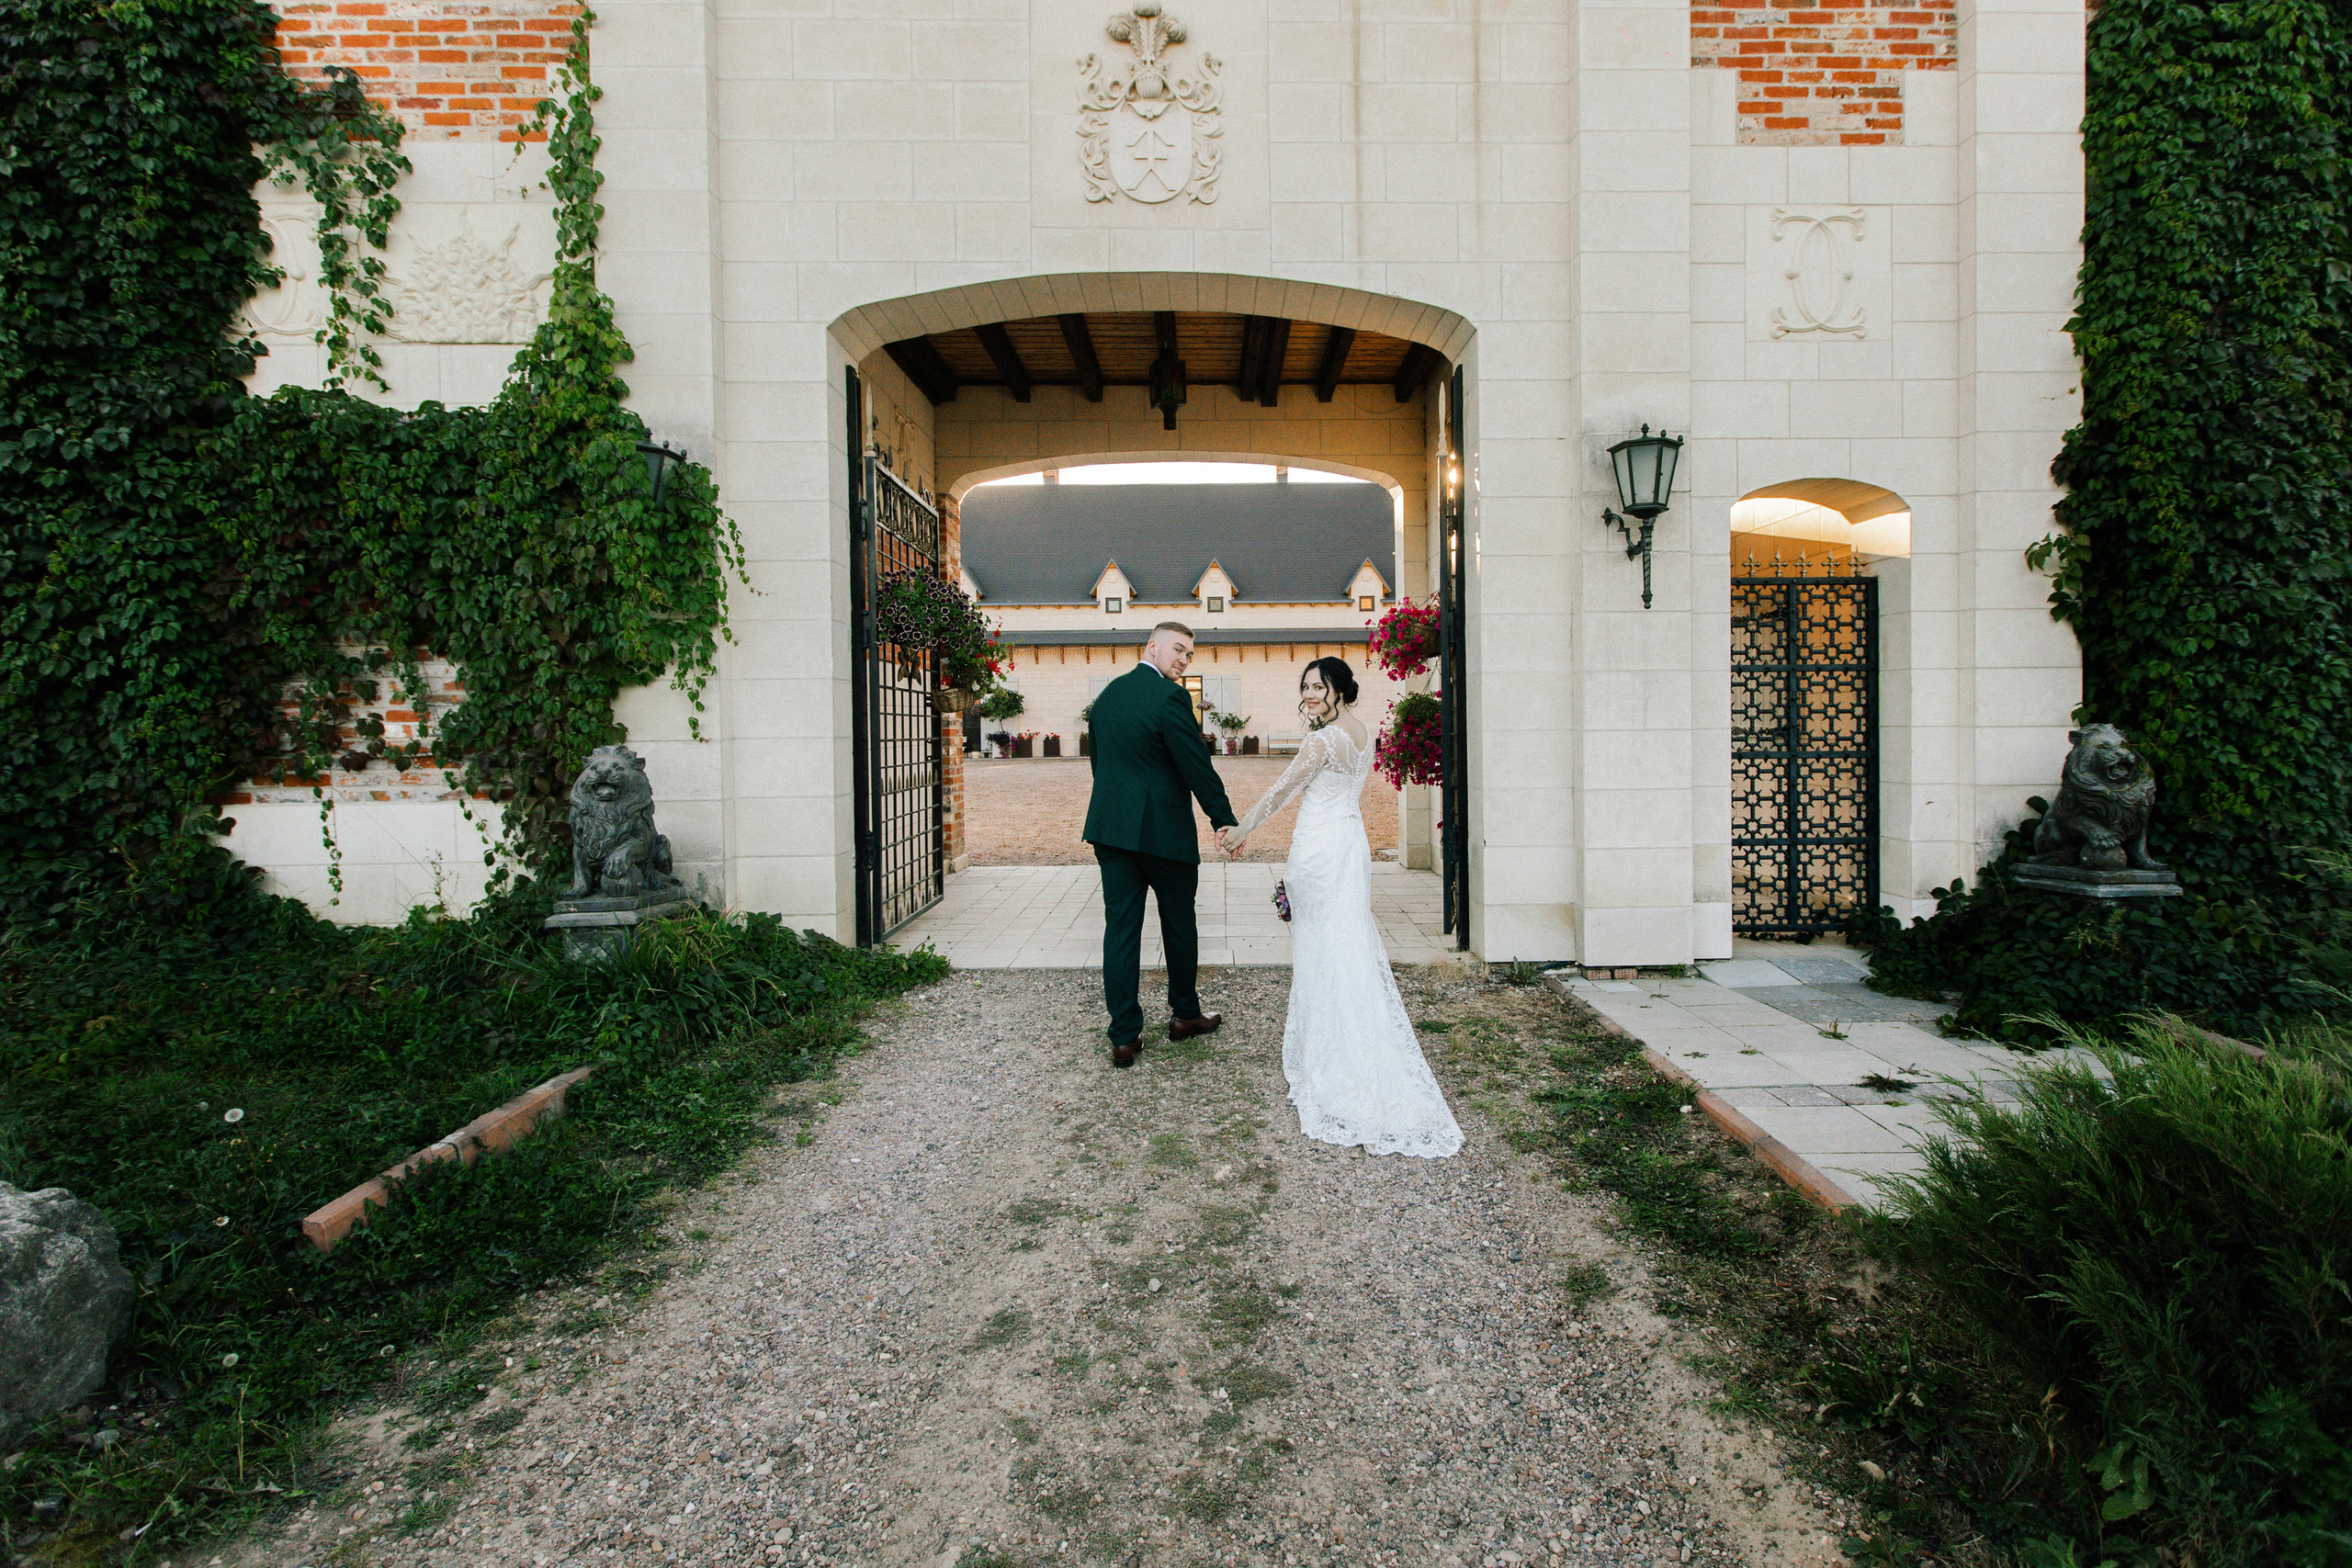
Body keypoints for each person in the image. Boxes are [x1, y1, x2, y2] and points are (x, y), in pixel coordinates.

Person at [1221, 657, 1463, 1157]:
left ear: (1340, 690)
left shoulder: (1322, 740)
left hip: (1319, 851)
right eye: (1306, 687)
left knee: (1324, 951)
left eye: (1319, 687)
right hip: (1350, 845)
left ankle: (1334, 1062)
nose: (1310, 695)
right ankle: (1351, 1046)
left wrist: (1243, 827)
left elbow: (1283, 789)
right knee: (1345, 946)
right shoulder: (1362, 733)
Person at [1082, 622, 1239, 1068]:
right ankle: (1185, 1016)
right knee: (1178, 923)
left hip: (1111, 831)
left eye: (1189, 655)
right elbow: (1195, 765)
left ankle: (1124, 1036)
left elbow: (1101, 764)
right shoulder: (1172, 697)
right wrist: (1223, 819)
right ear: (1151, 646)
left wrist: (1120, 810)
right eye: (1177, 650)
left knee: (1121, 929)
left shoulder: (1108, 695)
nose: (1184, 660)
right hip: (1163, 835)